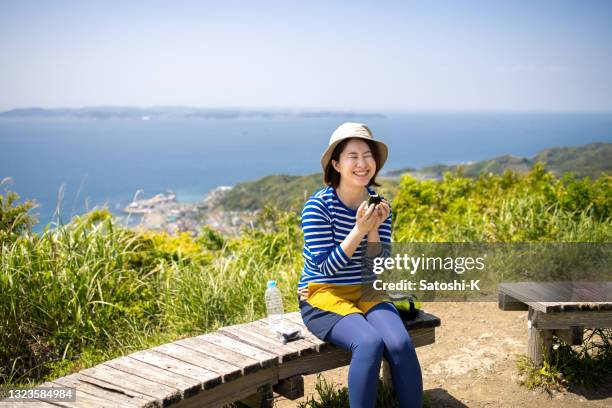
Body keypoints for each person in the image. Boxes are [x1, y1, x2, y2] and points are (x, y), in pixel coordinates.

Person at [297, 123, 423, 408]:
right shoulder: (318, 207)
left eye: (368, 155)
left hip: (366, 288)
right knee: (368, 343)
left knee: (400, 344)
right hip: (322, 294)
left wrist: (374, 229)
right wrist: (358, 230)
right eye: (352, 156)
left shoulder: (379, 206)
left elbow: (377, 267)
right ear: (336, 164)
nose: (362, 163)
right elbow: (327, 269)